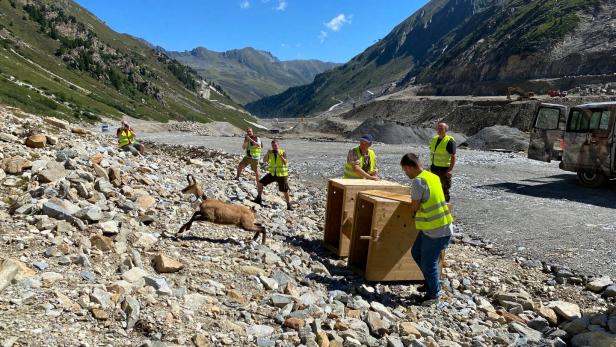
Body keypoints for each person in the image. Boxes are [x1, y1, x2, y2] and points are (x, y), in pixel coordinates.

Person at [400, 153, 453, 305]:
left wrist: (412, 207)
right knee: (416, 253)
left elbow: (415, 206)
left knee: (428, 263)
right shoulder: (432, 176)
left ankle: (434, 295)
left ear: (410, 167)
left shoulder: (418, 181)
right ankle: (430, 283)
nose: (406, 174)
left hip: (436, 230)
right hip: (439, 226)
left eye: (405, 170)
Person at [253, 139, 292, 210]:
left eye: (275, 145)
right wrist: (267, 153)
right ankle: (258, 199)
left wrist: (280, 155)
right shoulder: (270, 153)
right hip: (272, 174)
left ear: (278, 145)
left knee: (285, 190)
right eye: (273, 146)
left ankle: (289, 205)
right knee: (260, 183)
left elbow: (285, 162)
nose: (274, 147)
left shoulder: (282, 152)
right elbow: (264, 160)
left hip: (282, 174)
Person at [429, 122, 456, 202]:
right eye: (438, 128)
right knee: (434, 188)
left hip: (444, 170)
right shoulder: (434, 139)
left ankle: (446, 208)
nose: (439, 130)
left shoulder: (449, 141)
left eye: (441, 129)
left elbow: (453, 156)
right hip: (434, 168)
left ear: (445, 130)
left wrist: (450, 170)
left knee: (444, 190)